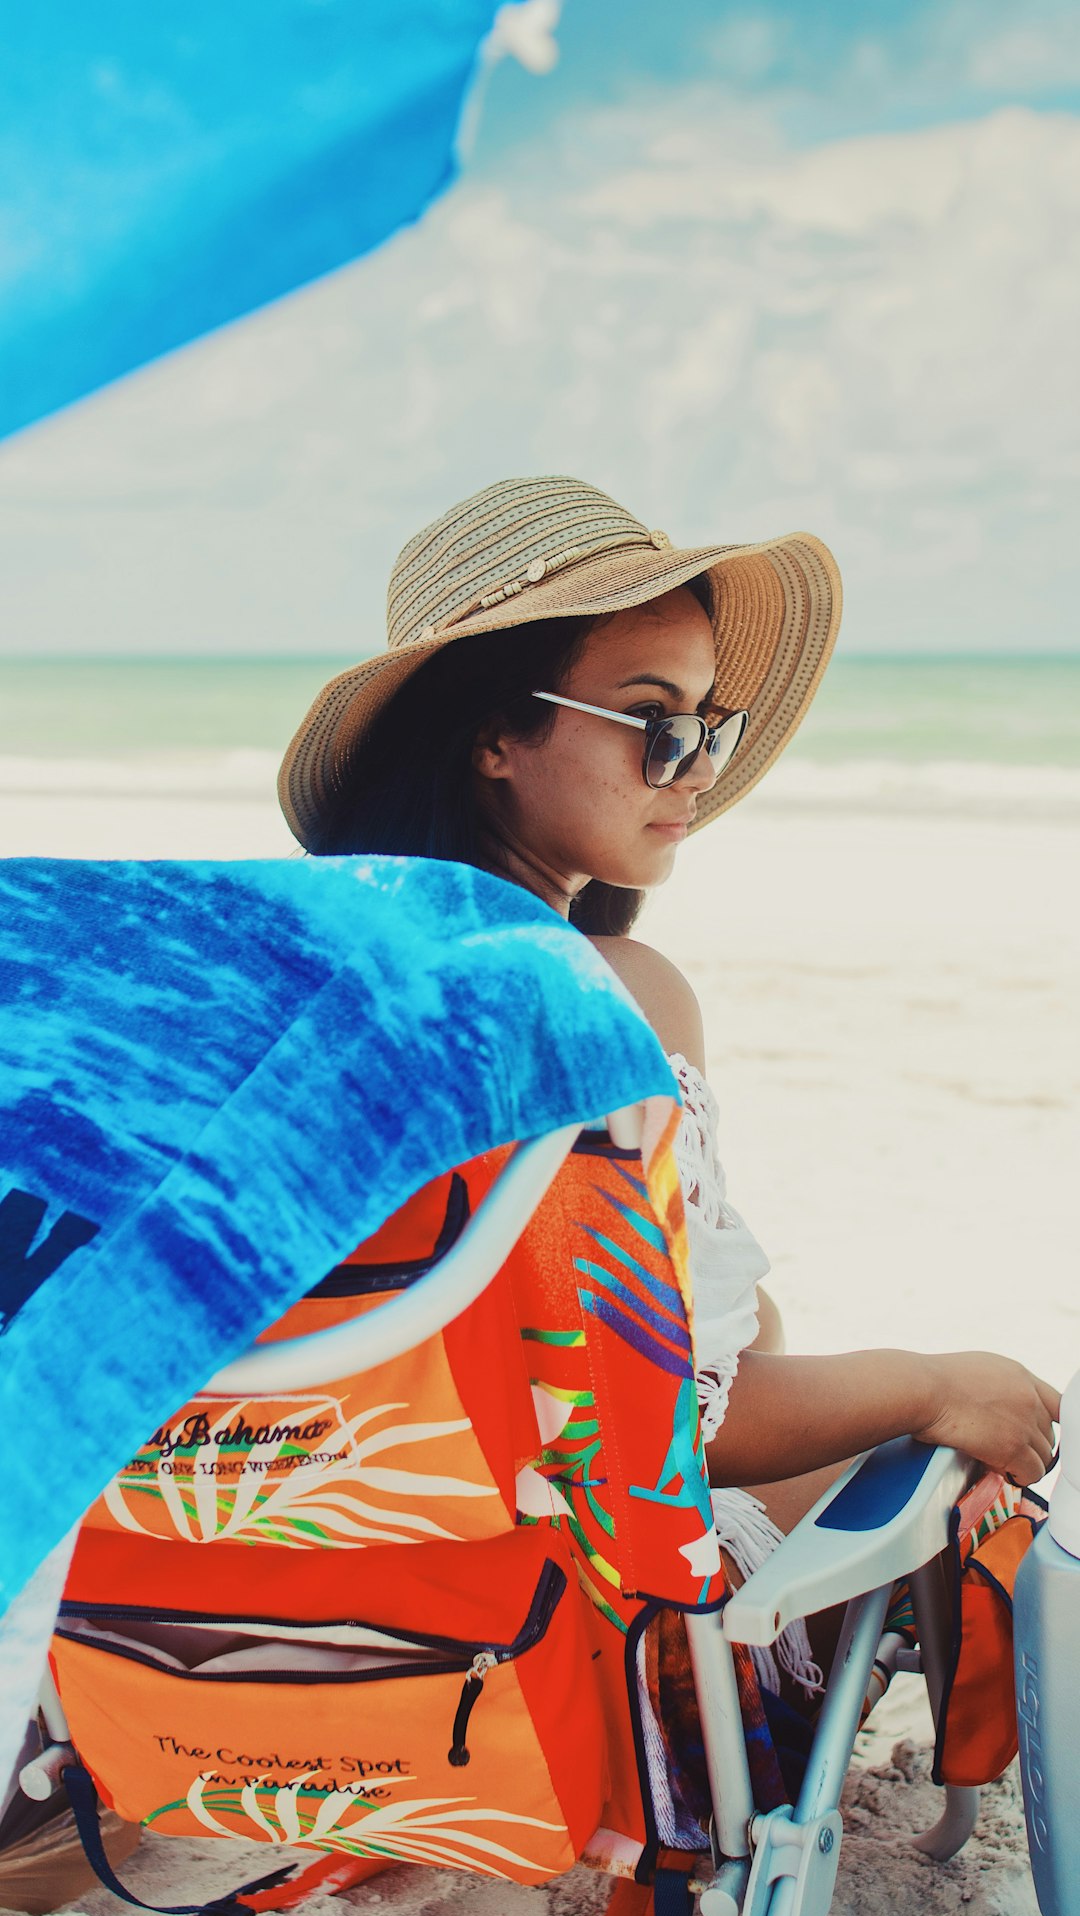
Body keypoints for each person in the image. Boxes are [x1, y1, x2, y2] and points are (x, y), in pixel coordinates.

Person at [278, 474, 1058, 1684]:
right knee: (983, 1457)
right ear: (493, 734)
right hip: (562, 1651)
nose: (692, 766)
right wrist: (933, 1384)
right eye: (654, 719)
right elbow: (676, 1427)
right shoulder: (611, 994)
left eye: (706, 722)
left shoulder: (297, 1002)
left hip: (273, 1619)